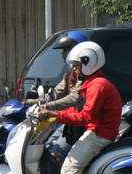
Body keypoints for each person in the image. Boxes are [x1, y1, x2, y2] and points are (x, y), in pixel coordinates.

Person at [38, 41, 121, 174]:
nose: (74, 70)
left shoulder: (97, 85)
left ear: (88, 62)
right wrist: (50, 108)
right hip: (97, 131)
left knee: (69, 168)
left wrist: (56, 115)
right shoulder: (91, 82)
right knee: (79, 171)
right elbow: (73, 101)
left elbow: (86, 116)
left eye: (76, 65)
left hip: (99, 133)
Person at [24, 31, 89, 166]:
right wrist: (28, 103)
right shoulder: (70, 73)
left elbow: (73, 98)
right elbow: (54, 94)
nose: (63, 54)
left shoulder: (86, 74)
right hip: (67, 121)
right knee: (44, 149)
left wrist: (48, 107)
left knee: (56, 155)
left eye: (66, 49)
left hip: (81, 125)